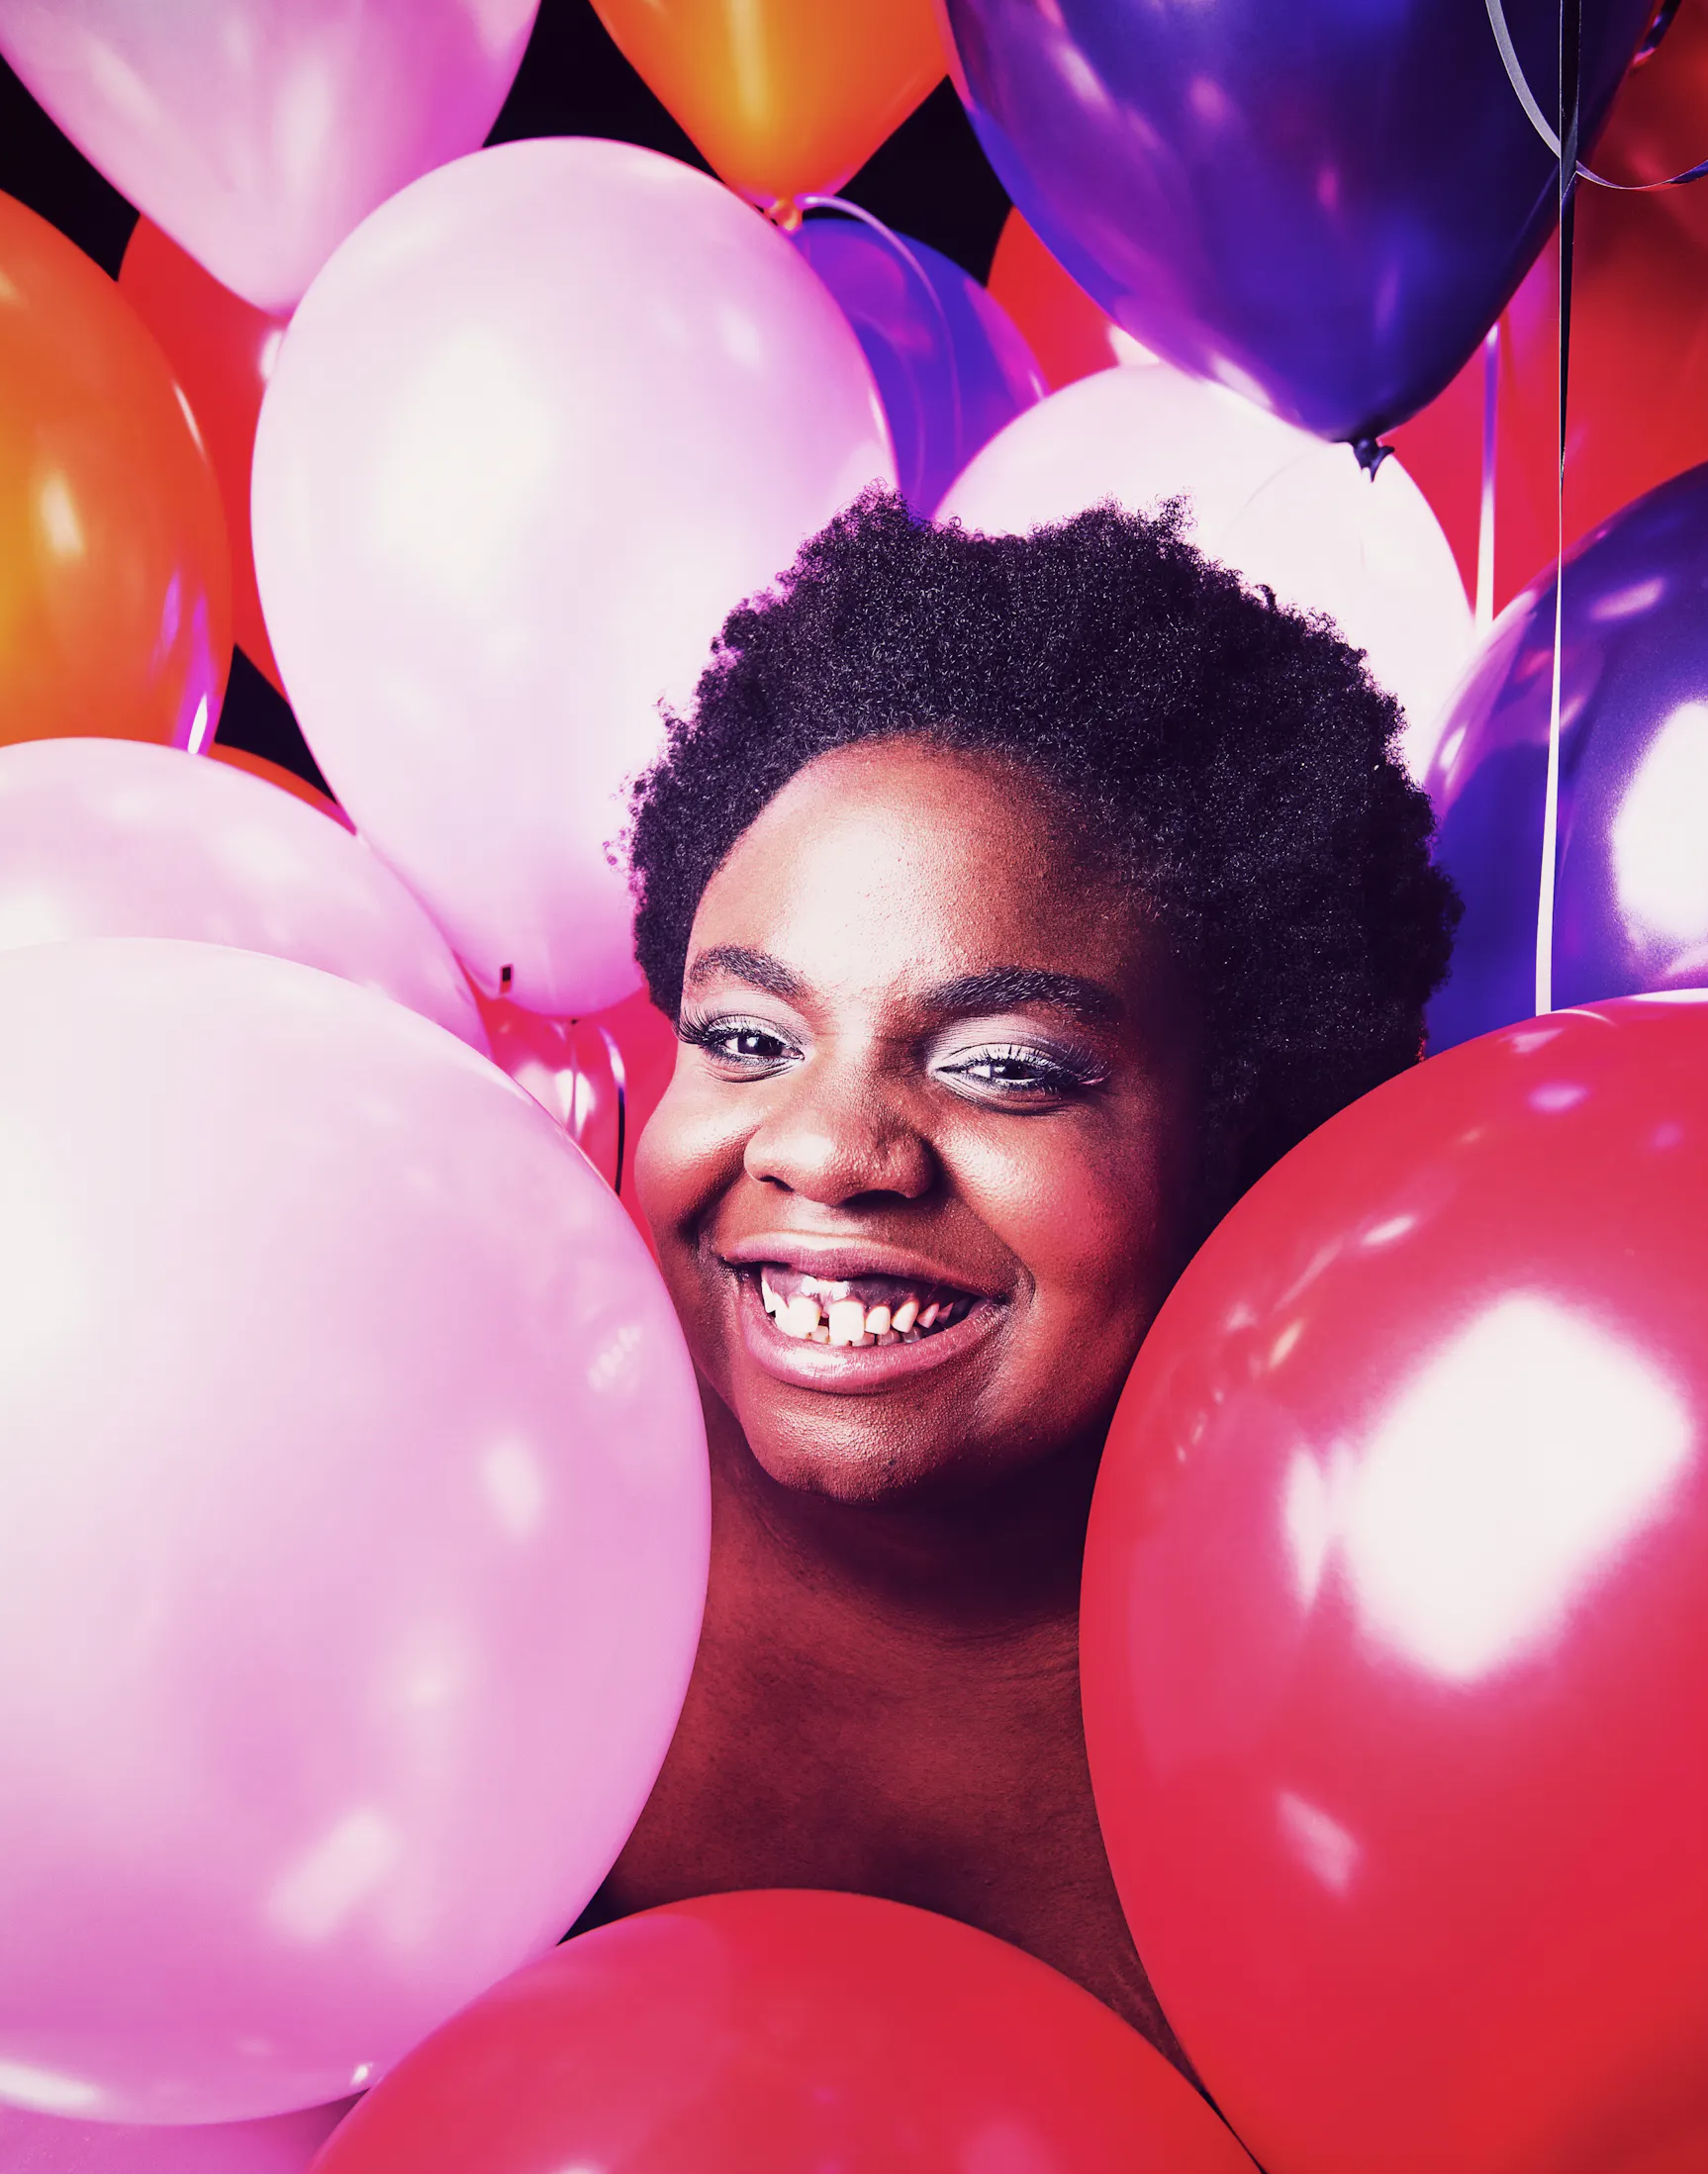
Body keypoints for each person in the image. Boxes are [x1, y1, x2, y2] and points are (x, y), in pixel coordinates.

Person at [585, 491, 1458, 2060]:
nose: (834, 1149)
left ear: (1240, 1130)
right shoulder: (470, 1502)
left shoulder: (1421, 1673)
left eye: (1003, 1068)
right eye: (745, 1041)